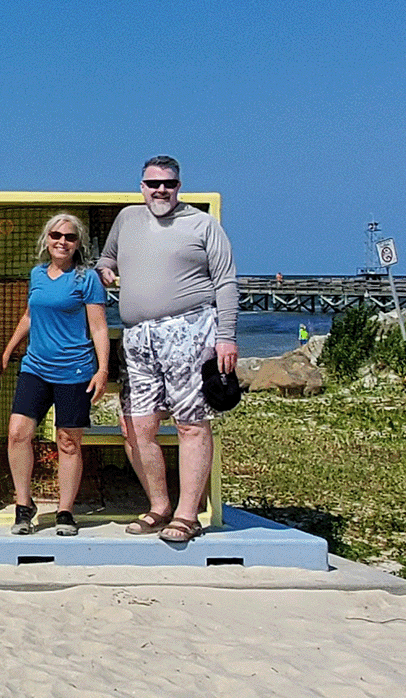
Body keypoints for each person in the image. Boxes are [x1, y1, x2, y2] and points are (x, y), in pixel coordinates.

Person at [96, 156, 238, 544]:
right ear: (141, 186)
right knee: (136, 426)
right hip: (138, 337)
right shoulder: (126, 219)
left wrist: (227, 336)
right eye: (153, 183)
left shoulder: (204, 225)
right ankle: (159, 506)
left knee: (191, 424)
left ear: (179, 186)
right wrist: (105, 268)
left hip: (191, 331)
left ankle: (187, 515)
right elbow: (106, 257)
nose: (161, 190)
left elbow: (225, 283)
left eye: (169, 184)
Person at [0, 214, 112, 536]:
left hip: (74, 370)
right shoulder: (37, 275)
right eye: (56, 235)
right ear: (46, 239)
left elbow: (99, 327)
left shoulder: (86, 279)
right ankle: (23, 505)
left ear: (78, 244)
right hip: (36, 367)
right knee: (18, 433)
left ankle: (64, 511)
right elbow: (30, 315)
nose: (62, 241)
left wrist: (102, 370)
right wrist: (8, 350)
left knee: (68, 441)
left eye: (70, 237)